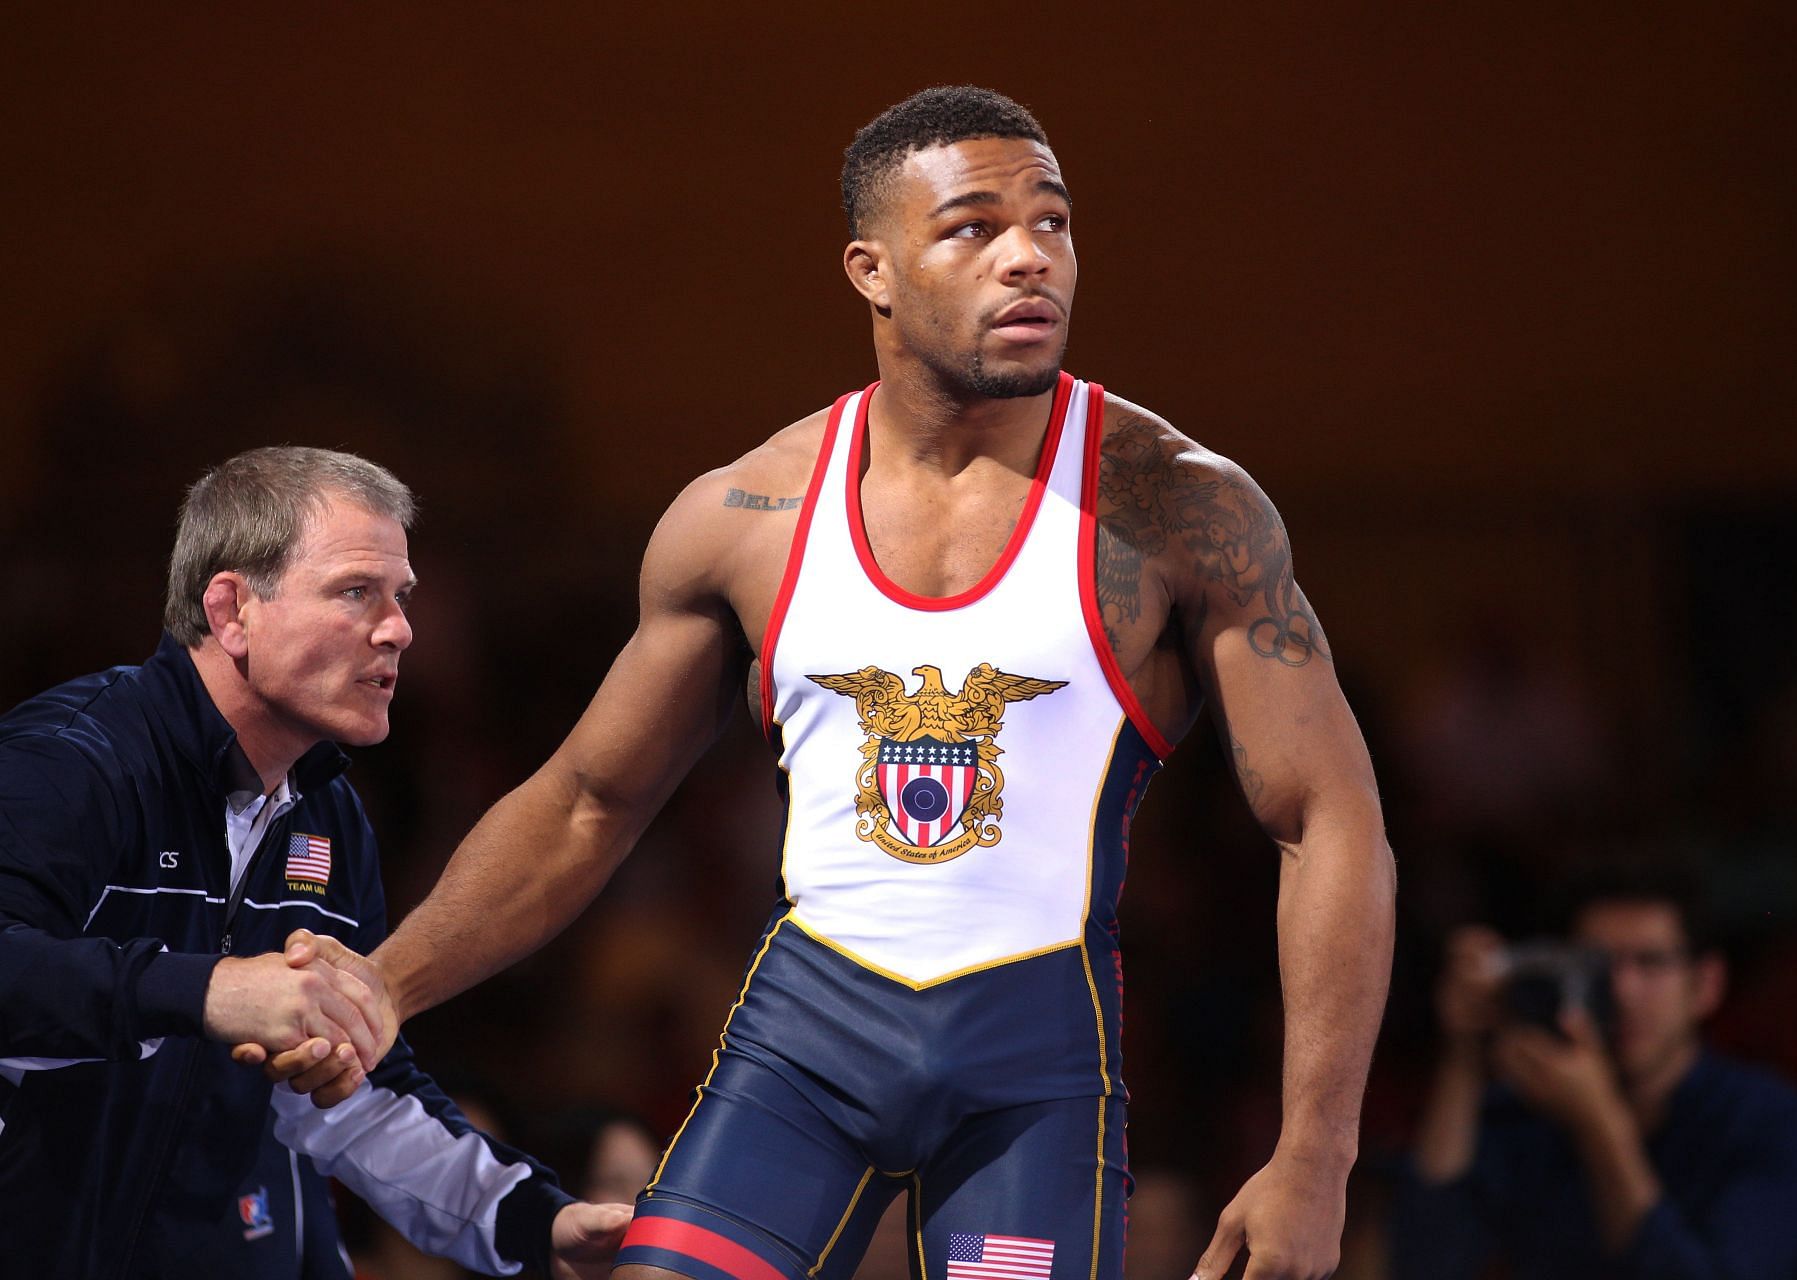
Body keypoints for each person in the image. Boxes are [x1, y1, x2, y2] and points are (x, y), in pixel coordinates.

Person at [275, 86, 1396, 1280]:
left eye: (1054, 223)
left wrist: (1316, 1153)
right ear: (872, 269)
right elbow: (587, 803)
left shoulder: (1178, 505)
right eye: (973, 227)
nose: (1030, 257)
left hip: (1034, 1075)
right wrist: (381, 986)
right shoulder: (744, 516)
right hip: (806, 1051)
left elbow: (1326, 821)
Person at [0, 446, 629, 1278]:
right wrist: (213, 990)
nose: (399, 627)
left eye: (402, 597)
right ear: (231, 611)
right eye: (356, 591)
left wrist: (537, 1222)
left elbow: (353, 1089)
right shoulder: (69, 762)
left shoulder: (330, 812)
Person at [1393, 864, 1797, 1278]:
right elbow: (1426, 1259)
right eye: (1597, 967)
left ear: (1705, 985)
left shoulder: (1780, 1124)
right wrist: (1463, 1056)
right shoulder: (1525, 1110)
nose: (1623, 991)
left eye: (1651, 962)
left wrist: (1600, 1124)